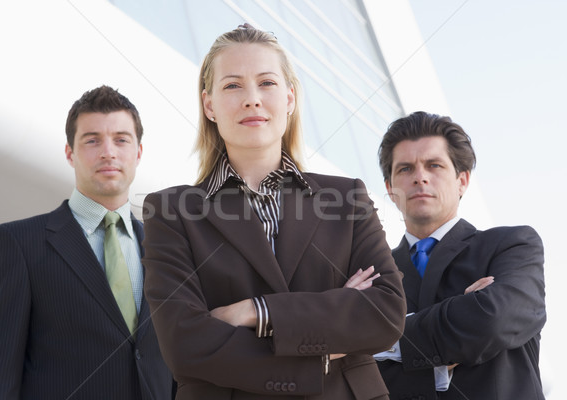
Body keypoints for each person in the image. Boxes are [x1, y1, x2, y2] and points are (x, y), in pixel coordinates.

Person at [141, 24, 406, 399]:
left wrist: (256, 311)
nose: (252, 99)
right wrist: (325, 341)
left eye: (266, 83)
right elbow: (185, 344)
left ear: (290, 99)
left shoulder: (346, 197)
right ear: (209, 105)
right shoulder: (171, 210)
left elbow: (385, 312)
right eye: (233, 85)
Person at [0, 86, 176, 399]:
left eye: (121, 139)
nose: (108, 152)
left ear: (138, 152)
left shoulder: (168, 250)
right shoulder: (17, 244)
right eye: (92, 140)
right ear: (70, 153)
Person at [374, 111, 546, 399]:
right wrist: (463, 316)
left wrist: (380, 342)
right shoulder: (373, 274)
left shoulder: (512, 246)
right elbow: (349, 371)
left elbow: (493, 320)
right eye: (405, 169)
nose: (420, 178)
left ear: (462, 181)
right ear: (390, 190)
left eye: (434, 165)